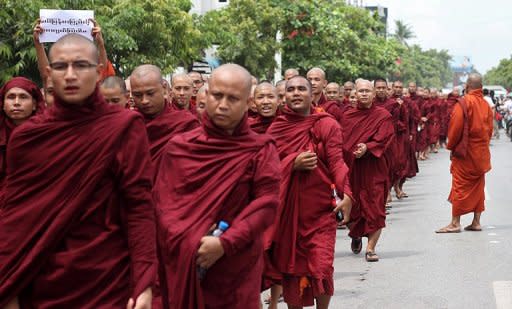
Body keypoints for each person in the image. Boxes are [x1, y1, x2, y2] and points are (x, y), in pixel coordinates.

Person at [0, 34, 156, 309]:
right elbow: (13, 218)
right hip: (41, 280)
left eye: (81, 65)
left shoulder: (124, 126)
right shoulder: (27, 138)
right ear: (48, 74)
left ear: (98, 72)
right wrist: (7, 284)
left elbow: (139, 206)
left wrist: (144, 281)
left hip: (105, 279)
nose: (70, 75)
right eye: (60, 66)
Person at [154, 63, 280, 309]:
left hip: (235, 266)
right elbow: (162, 206)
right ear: (206, 95)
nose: (223, 105)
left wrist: (225, 243)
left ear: (247, 103)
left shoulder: (260, 149)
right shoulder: (179, 147)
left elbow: (266, 204)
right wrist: (190, 239)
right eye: (217, 95)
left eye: (233, 98)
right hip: (185, 260)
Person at [268, 76, 352, 309]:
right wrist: (291, 164)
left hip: (320, 212)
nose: (296, 93)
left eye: (301, 89)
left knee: (322, 266)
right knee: (292, 269)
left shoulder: (327, 124)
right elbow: (267, 168)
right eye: (291, 89)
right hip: (288, 213)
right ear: (284, 95)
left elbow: (337, 162)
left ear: (312, 93)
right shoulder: (278, 127)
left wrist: (347, 195)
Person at [343, 79, 394, 262]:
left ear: (373, 95)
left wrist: (368, 147)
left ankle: (371, 249)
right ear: (354, 94)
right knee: (353, 210)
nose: (364, 94)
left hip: (374, 169)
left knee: (376, 210)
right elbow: (340, 141)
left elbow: (385, 139)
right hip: (353, 169)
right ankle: (356, 234)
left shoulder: (383, 115)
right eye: (361, 91)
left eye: (367, 91)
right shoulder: (347, 116)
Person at [436, 73, 493, 233]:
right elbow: (490, 130)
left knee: (459, 186)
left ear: (467, 86)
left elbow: (455, 129)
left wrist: (451, 147)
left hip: (465, 153)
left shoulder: (463, 103)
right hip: (481, 153)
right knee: (478, 186)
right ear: (481, 87)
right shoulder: (486, 105)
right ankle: (476, 221)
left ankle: (455, 223)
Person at [130, 65, 199, 170]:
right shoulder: (128, 124)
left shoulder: (186, 123)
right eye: (138, 95)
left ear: (164, 88)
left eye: (150, 93)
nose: (145, 101)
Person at [0, 77, 46, 207]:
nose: (16, 102)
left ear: (35, 104)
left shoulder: (46, 132)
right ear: (3, 104)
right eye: (11, 97)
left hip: (36, 200)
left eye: (23, 97)